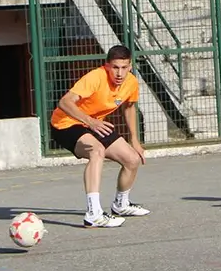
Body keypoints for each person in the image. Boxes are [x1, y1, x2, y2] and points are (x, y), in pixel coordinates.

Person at [49, 45, 150, 228]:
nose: (119, 73)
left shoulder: (131, 82)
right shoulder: (95, 77)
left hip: (94, 124)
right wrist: (90, 121)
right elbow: (64, 102)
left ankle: (121, 205)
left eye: (124, 67)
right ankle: (93, 214)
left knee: (132, 160)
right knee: (97, 151)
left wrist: (134, 139)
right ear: (107, 66)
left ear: (130, 66)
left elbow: (129, 107)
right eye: (115, 67)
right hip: (66, 124)